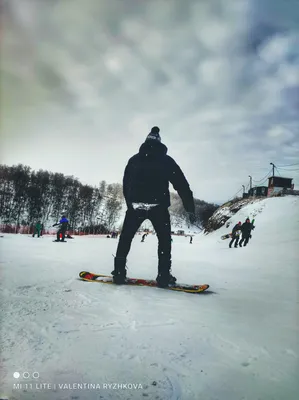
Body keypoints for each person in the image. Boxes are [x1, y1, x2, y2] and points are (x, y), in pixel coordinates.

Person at [112, 126, 195, 287]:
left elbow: (126, 184)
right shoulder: (166, 161)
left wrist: (130, 203)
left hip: (136, 206)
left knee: (126, 238)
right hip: (158, 206)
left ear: (146, 141)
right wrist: (190, 208)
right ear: (159, 143)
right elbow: (181, 184)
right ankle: (163, 276)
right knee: (164, 241)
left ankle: (119, 273)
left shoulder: (134, 160)